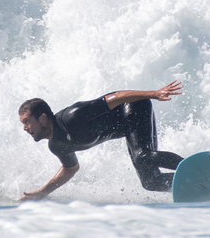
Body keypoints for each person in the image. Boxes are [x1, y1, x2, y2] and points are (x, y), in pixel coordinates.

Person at [18, 80, 184, 201]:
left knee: (142, 156)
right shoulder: (57, 145)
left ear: (42, 118)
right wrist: (42, 193)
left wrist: (154, 94)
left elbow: (115, 97)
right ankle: (191, 182)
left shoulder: (72, 117)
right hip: (127, 127)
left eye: (26, 121)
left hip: (133, 106)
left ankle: (193, 167)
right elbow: (70, 169)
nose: (25, 128)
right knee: (151, 182)